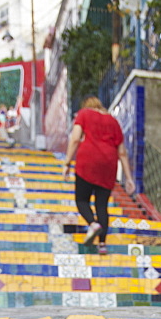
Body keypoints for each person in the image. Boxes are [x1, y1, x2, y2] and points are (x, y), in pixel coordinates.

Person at [62, 96, 135, 253]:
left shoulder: (84, 114)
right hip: (108, 165)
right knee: (102, 205)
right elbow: (122, 152)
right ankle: (102, 245)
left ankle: (93, 224)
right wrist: (129, 179)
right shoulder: (114, 122)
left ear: (87, 105)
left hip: (87, 161)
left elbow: (75, 139)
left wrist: (67, 163)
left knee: (81, 200)